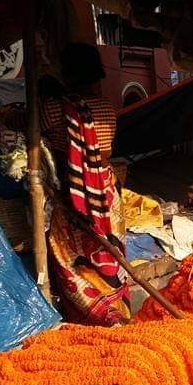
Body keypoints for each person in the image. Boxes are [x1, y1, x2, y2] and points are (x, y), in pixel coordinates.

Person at [42, 43, 130, 326]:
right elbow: (108, 151)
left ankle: (91, 316)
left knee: (72, 261)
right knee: (109, 254)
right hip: (105, 191)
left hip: (73, 195)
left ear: (66, 75)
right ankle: (114, 313)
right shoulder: (107, 108)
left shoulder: (54, 109)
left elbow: (25, 125)